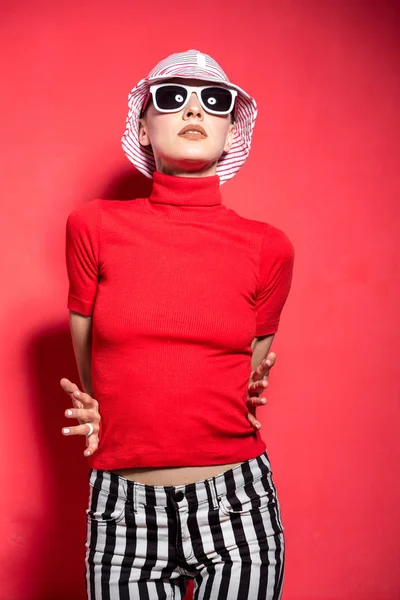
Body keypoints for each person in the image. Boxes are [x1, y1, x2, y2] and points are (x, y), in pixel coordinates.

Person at [60, 49, 295, 600]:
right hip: (124, 515)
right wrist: (102, 408)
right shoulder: (92, 226)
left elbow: (244, 377)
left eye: (215, 101)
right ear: (143, 126)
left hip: (238, 508)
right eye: (172, 97)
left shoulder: (270, 248)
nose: (194, 109)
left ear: (230, 128)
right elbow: (91, 364)